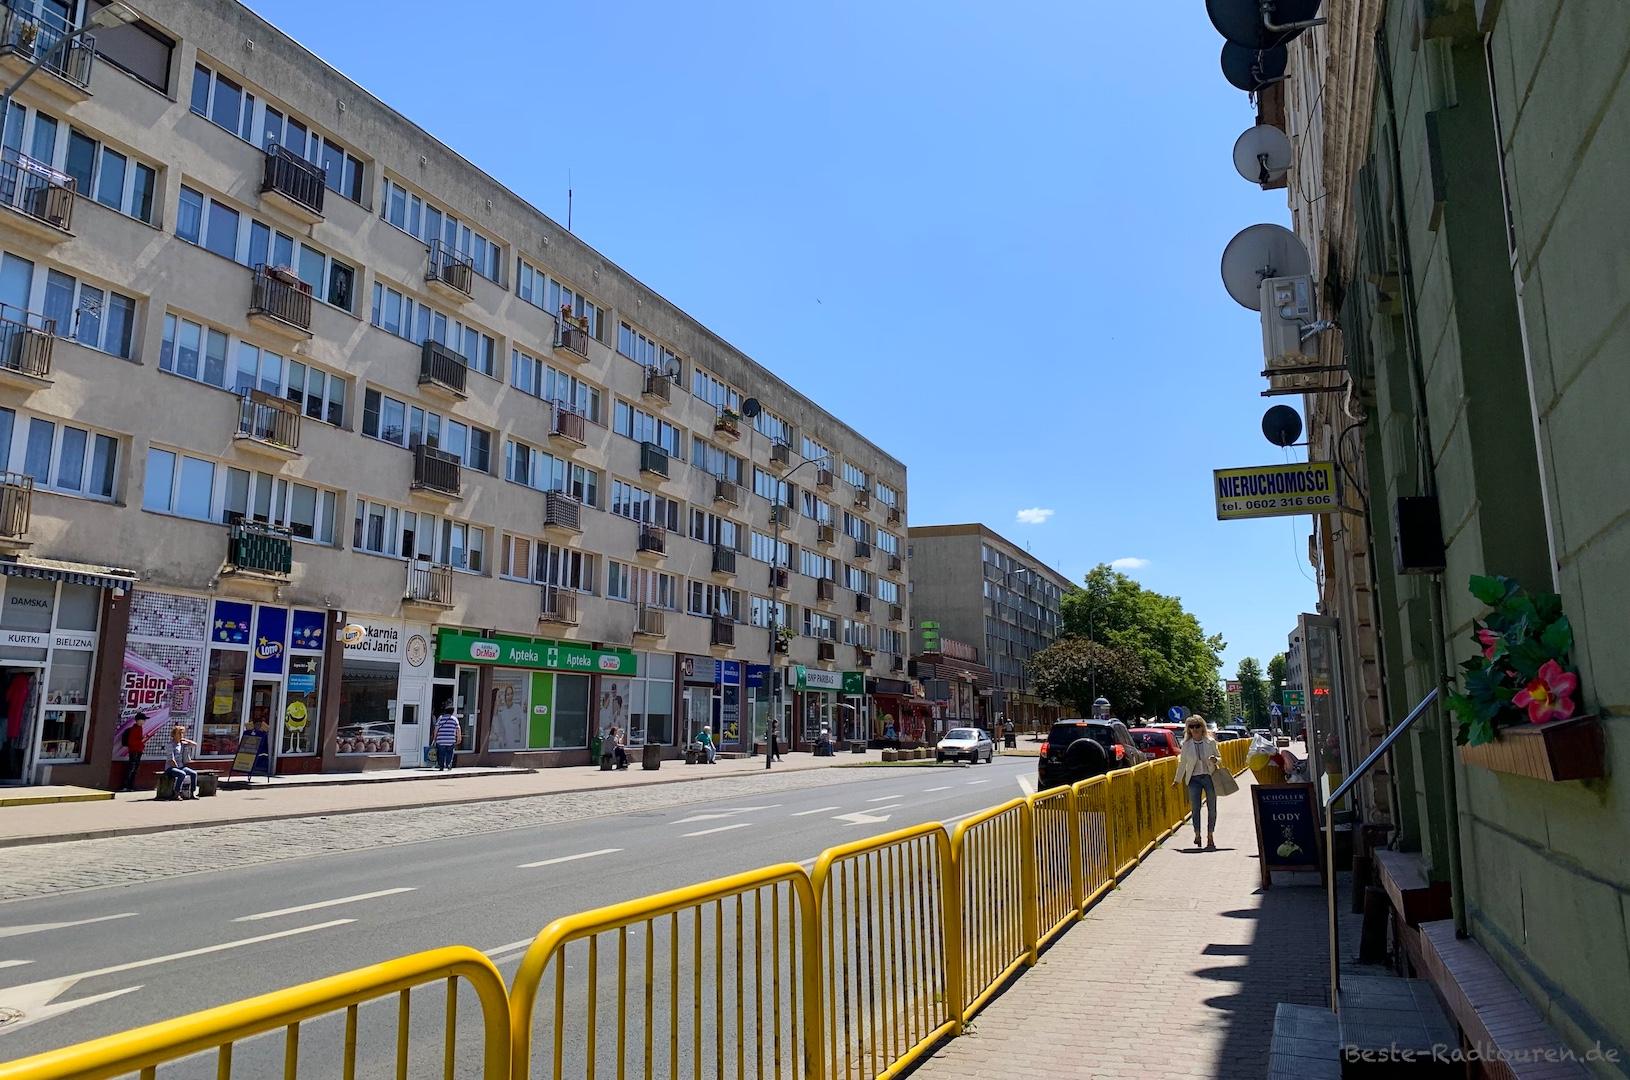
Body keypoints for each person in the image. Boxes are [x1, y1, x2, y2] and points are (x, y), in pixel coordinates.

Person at [1175, 714, 1223, 849]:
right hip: (1194, 779)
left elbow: (1220, 758)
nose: (1195, 729)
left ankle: (1210, 836)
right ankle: (1197, 835)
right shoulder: (1186, 745)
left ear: (1203, 727)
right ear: (1188, 729)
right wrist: (1177, 780)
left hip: (1209, 777)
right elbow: (1182, 763)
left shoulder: (1211, 742)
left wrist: (1216, 760)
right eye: (1191, 726)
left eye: (1198, 726)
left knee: (1212, 808)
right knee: (1195, 809)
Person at [163, 723, 199, 800]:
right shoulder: (170, 745)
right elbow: (171, 759)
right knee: (182, 774)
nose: (181, 735)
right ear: (174, 735)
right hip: (171, 768)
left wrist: (186, 740)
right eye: (179, 733)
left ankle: (192, 793)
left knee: (193, 773)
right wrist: (178, 768)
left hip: (181, 766)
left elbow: (195, 745)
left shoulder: (182, 744)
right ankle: (176, 793)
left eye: (182, 733)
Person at [121, 712, 148, 792]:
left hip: (138, 750)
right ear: (138, 720)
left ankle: (130, 786)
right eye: (143, 720)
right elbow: (131, 742)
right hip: (134, 750)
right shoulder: (135, 729)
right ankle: (126, 786)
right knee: (131, 768)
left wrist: (141, 742)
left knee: (134, 769)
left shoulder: (140, 728)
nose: (144, 722)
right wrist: (141, 741)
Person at [431, 706, 461, 771]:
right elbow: (458, 729)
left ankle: (441, 766)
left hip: (441, 739)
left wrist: (434, 737)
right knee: (450, 753)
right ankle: (448, 764)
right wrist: (459, 738)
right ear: (452, 712)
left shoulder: (440, 718)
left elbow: (436, 728)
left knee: (441, 753)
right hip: (451, 739)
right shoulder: (454, 719)